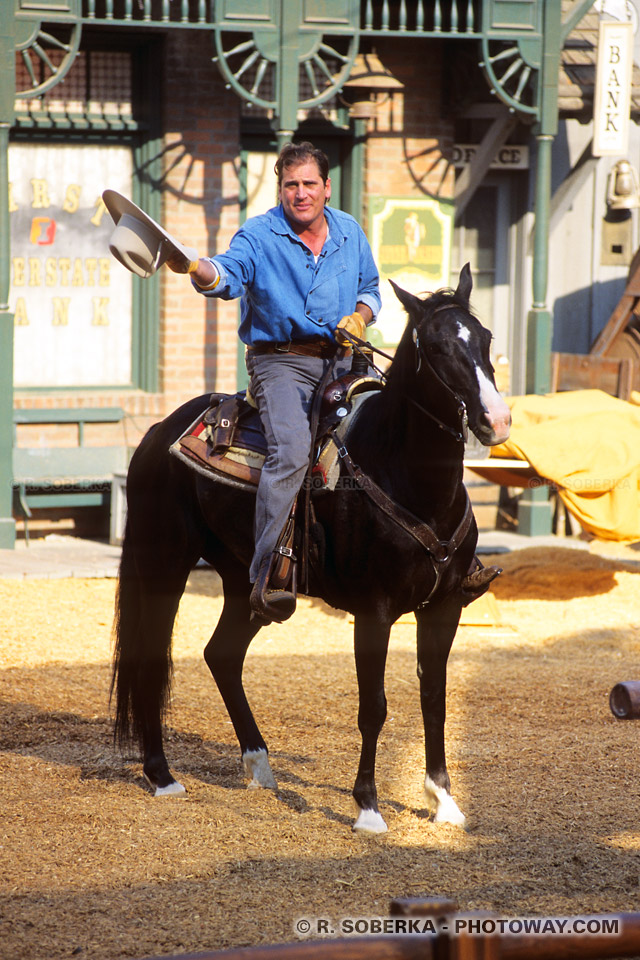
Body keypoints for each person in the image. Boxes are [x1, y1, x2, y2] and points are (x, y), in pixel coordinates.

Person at [167, 141, 381, 624]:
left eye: (309, 184)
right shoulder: (259, 234)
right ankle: (266, 577)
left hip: (345, 358)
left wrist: (360, 316)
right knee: (289, 449)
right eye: (290, 185)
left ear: (327, 187)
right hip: (279, 363)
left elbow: (370, 286)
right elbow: (227, 273)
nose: (300, 194)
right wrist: (195, 267)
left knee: (398, 424)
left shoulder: (349, 230)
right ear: (280, 188)